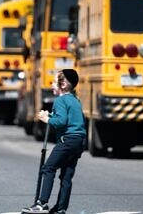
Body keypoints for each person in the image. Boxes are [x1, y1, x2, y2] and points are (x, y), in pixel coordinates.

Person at [22, 69, 86, 214]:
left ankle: (42, 203)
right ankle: (61, 207)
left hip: (67, 140)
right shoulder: (75, 99)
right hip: (78, 140)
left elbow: (61, 121)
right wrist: (50, 114)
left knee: (48, 168)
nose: (51, 85)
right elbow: (69, 117)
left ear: (62, 84)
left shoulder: (60, 100)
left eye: (54, 82)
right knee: (66, 175)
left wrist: (48, 119)